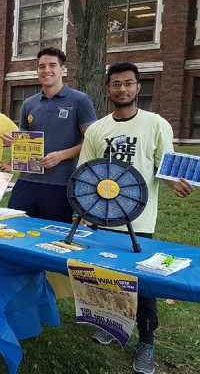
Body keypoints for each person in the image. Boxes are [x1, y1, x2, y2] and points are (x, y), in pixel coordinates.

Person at [78, 62, 194, 374]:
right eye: (116, 84)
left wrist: (175, 182)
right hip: (100, 217)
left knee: (142, 283)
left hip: (137, 220)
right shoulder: (98, 130)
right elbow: (85, 175)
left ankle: (146, 342)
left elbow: (165, 165)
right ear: (108, 89)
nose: (122, 89)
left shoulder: (156, 125)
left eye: (128, 83)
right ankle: (111, 323)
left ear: (138, 87)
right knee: (104, 275)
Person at [3, 47, 97, 223]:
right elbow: (25, 135)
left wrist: (61, 155)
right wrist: (14, 140)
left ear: (63, 69)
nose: (46, 70)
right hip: (27, 179)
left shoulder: (80, 101)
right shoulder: (29, 104)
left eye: (52, 65)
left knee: (53, 235)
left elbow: (92, 142)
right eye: (42, 66)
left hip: (60, 183)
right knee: (14, 226)